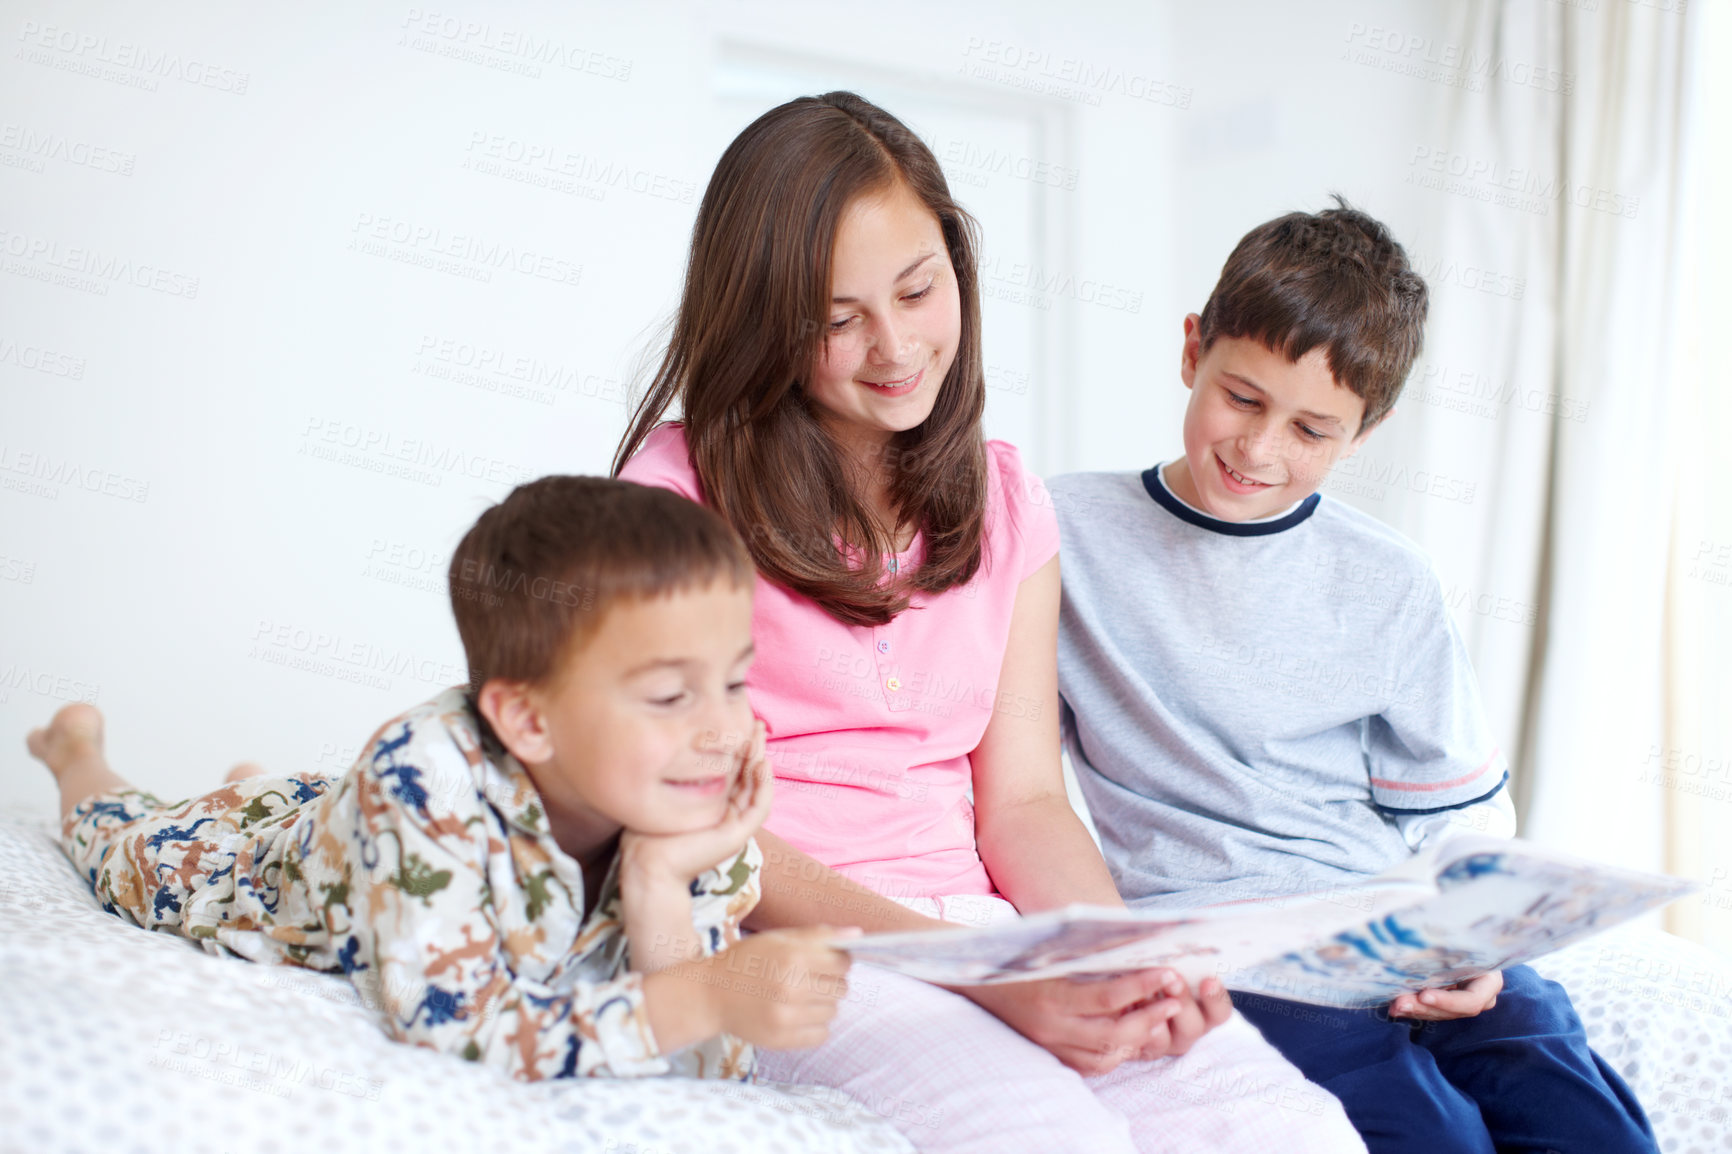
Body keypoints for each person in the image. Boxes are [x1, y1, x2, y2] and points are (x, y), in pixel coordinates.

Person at [615, 90, 1363, 1153]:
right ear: (763, 318)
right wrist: (982, 977)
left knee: (1291, 1130)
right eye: (836, 317)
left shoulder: (1008, 496)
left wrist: (1110, 951)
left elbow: (1018, 797)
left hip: (981, 930)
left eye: (918, 289)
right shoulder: (671, 498)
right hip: (784, 940)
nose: (893, 345)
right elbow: (685, 823)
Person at [1048, 199, 1659, 1153]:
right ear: (1190, 353)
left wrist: (1478, 946)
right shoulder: (1060, 535)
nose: (1259, 450)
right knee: (1436, 1137)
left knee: (1582, 1119)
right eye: (1242, 398)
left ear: (1363, 433)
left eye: (1311, 430)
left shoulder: (1390, 580)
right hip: (1235, 946)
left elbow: (1458, 812)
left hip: (1397, 921)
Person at [29, 477, 856, 1083]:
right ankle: (78, 753)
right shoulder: (423, 771)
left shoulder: (697, 816)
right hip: (279, 861)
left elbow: (707, 1078)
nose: (724, 729)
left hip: (362, 821)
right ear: (528, 721)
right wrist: (702, 995)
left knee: (311, 805)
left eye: (738, 682)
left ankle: (273, 794)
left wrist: (659, 881)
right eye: (673, 695)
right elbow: (455, 1025)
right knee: (121, 845)